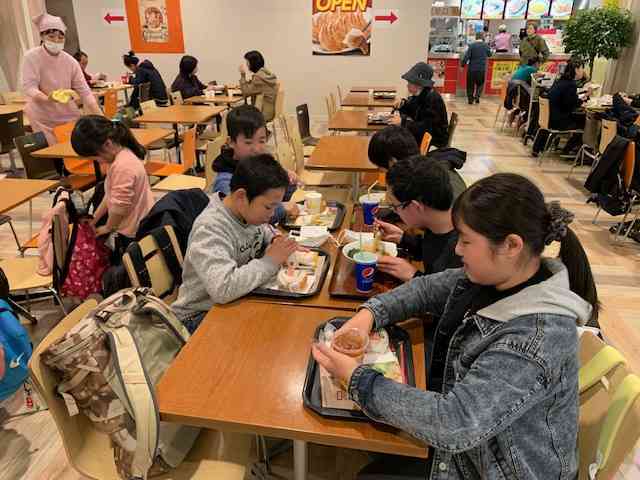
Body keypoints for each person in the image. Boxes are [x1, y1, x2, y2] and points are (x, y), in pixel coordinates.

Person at [313, 172, 599, 479]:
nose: (457, 250)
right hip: (472, 440)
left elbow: (455, 422)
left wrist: (356, 379)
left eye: (466, 241)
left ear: (511, 245)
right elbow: (425, 290)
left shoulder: (535, 338)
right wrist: (367, 316)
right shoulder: (496, 277)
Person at [172, 155, 301, 333]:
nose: (272, 214)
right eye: (268, 207)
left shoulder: (247, 214)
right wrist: (270, 261)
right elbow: (223, 288)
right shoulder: (210, 228)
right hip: (199, 315)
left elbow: (263, 229)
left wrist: (275, 239)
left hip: (235, 300)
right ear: (241, 196)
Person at [71, 115, 154, 255]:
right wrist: (94, 218)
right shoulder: (119, 156)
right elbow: (110, 195)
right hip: (136, 223)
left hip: (134, 231)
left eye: (95, 157)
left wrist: (108, 227)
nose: (98, 162)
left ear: (107, 144)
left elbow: (119, 208)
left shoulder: (123, 167)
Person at [374, 156, 462, 282]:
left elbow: (447, 292)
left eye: (394, 206)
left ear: (415, 206)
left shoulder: (461, 250)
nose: (395, 211)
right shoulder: (437, 222)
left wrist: (414, 276)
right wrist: (403, 238)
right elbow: (433, 248)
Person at [22, 14, 103, 145]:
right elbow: (30, 87)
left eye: (60, 37)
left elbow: (85, 92)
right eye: (51, 36)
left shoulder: (70, 61)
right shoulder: (31, 57)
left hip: (67, 113)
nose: (56, 40)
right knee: (54, 152)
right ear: (42, 36)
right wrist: (47, 98)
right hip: (42, 116)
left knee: (75, 149)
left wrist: (102, 117)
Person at [210, 105, 299, 224]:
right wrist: (282, 209)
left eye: (261, 141)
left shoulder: (260, 165)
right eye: (248, 142)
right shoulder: (225, 181)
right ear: (231, 142)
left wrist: (287, 181)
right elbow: (244, 217)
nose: (257, 149)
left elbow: (276, 197)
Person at [368, 125, 467, 199]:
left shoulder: (431, 187)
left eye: (383, 171)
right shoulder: (421, 170)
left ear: (392, 163)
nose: (386, 178)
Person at [532, 59, 589, 156]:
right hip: (558, 121)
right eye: (581, 69)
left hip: (549, 118)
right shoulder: (571, 85)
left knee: (578, 118)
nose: (583, 71)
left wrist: (578, 100)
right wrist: (582, 101)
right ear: (576, 70)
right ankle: (568, 150)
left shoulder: (559, 81)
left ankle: (539, 147)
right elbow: (569, 104)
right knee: (584, 122)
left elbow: (565, 101)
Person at [391, 62, 449, 148]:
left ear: (419, 84)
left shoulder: (432, 99)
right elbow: (412, 109)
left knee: (395, 143)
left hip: (433, 142)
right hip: (424, 137)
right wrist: (402, 104)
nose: (407, 85)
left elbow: (426, 128)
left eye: (410, 82)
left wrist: (402, 122)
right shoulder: (422, 94)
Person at [239, 50, 278, 122]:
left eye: (247, 62)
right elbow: (257, 88)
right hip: (269, 111)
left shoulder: (258, 77)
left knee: (235, 115)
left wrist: (243, 75)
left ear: (253, 63)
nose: (247, 65)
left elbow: (246, 92)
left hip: (262, 113)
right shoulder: (265, 73)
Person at [461, 32, 492, 105]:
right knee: (480, 84)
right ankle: (477, 97)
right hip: (481, 69)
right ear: (482, 38)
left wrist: (462, 65)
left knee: (470, 85)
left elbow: (466, 57)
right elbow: (490, 55)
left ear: (476, 37)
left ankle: (470, 100)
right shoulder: (486, 45)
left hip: (472, 69)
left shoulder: (472, 45)